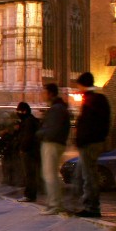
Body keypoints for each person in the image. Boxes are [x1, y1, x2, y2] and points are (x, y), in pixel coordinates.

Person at [71, 72, 111, 218]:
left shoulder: (92, 100)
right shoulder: (99, 98)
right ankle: (85, 203)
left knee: (89, 176)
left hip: (89, 143)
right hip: (94, 141)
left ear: (82, 84)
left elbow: (87, 124)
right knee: (85, 175)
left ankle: (92, 207)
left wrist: (81, 139)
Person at [36, 83, 71, 216]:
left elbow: (52, 129)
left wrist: (40, 133)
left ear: (50, 93)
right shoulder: (58, 108)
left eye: (44, 92)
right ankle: (53, 203)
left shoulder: (56, 109)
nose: (42, 95)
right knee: (50, 174)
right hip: (54, 142)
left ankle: (55, 204)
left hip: (52, 143)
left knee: (50, 175)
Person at [12, 101, 41, 202]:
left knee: (29, 174)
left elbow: (27, 137)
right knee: (30, 174)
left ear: (24, 111)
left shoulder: (28, 121)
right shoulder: (29, 120)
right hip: (31, 150)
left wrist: (22, 148)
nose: (17, 113)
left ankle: (30, 195)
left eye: (19, 111)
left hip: (29, 151)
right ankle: (30, 194)